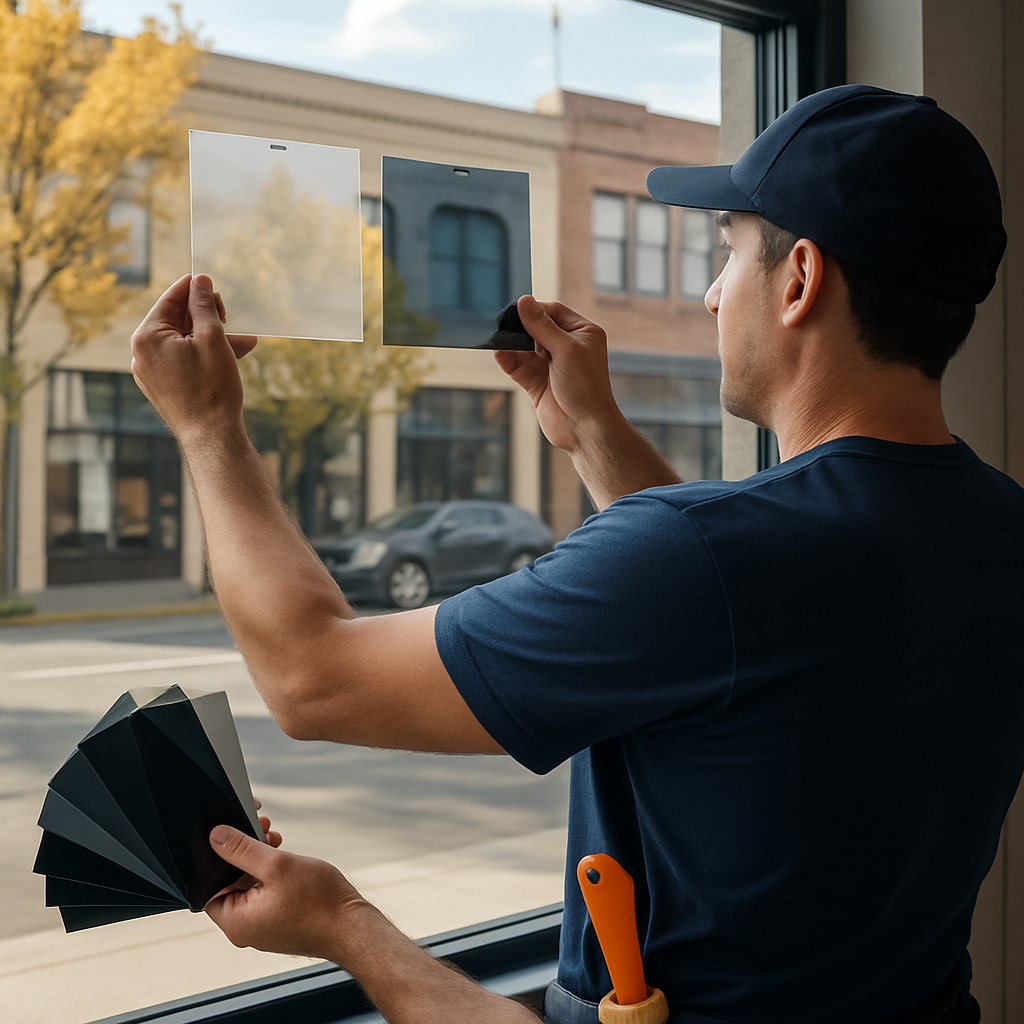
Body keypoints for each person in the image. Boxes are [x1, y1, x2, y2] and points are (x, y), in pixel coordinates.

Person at [130, 84, 1023, 1024]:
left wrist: (208, 428)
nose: (715, 295)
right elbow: (741, 634)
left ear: (799, 280)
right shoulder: (996, 530)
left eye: (728, 258)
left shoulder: (706, 559)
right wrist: (593, 430)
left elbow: (313, 678)